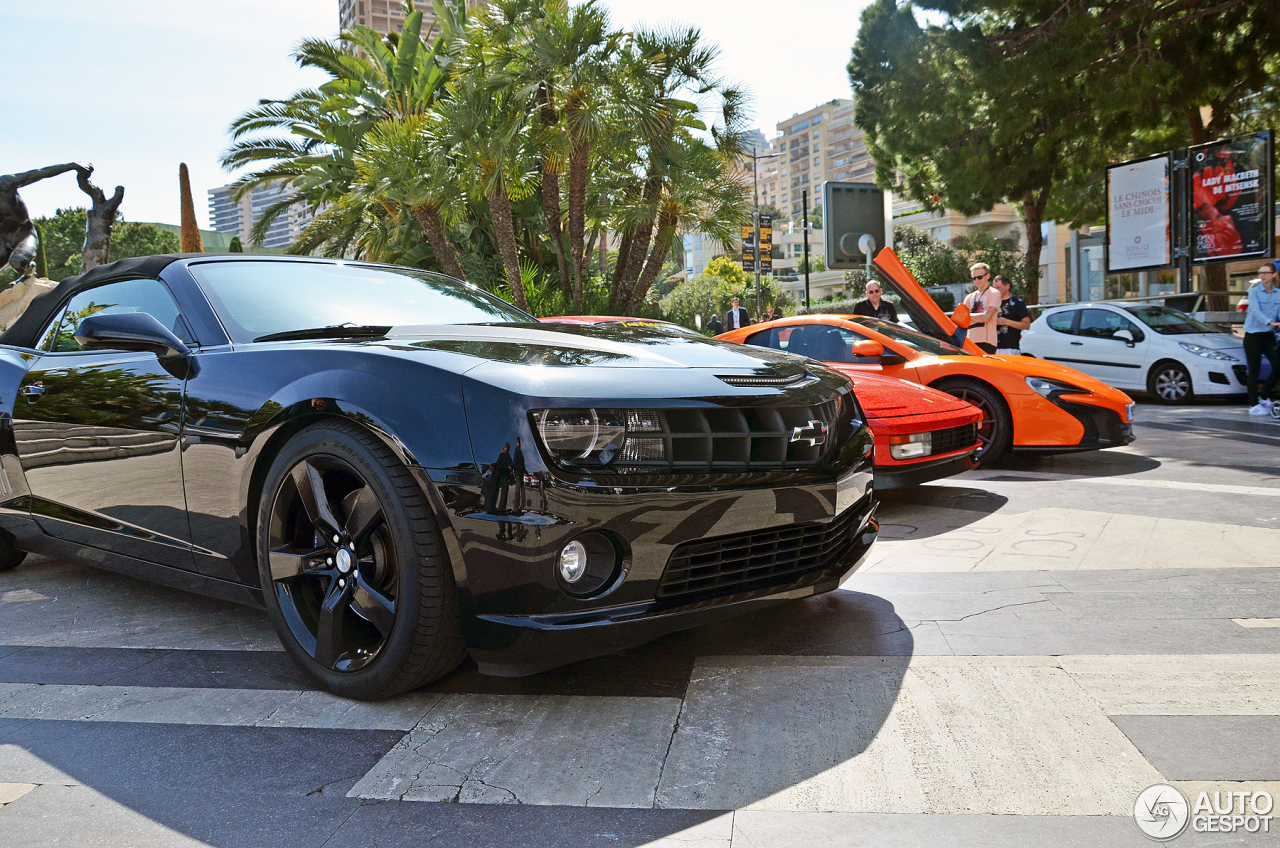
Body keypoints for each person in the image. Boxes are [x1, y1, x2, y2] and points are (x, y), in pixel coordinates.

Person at [1244, 263, 1280, 415]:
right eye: (1260, 273)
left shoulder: (1278, 293)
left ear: (1274, 274)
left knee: (1278, 366)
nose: (1263, 276)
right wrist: (1270, 322)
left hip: (1268, 336)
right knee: (1255, 370)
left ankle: (1264, 396)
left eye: (1266, 273)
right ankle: (1253, 405)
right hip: (1253, 336)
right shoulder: (1254, 292)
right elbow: (1255, 310)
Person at [962, 263, 1002, 353]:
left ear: (988, 276)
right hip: (970, 341)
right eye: (974, 278)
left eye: (979, 277)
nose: (976, 280)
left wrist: (968, 316)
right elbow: (962, 320)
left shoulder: (994, 293)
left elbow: (986, 317)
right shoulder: (969, 297)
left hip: (987, 342)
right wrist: (977, 317)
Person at [992, 275, 1031, 355]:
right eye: (994, 288)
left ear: (1007, 286)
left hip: (1010, 348)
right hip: (992, 347)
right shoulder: (991, 303)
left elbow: (1026, 325)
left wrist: (1007, 322)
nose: (995, 291)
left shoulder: (1017, 303)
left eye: (998, 288)